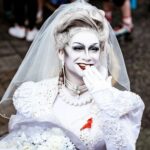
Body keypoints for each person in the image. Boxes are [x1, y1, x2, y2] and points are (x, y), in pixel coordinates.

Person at [0, 0, 144, 149]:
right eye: (78, 48)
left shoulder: (117, 102)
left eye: (94, 49)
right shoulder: (34, 94)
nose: (87, 56)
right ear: (61, 52)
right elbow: (19, 140)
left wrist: (104, 97)